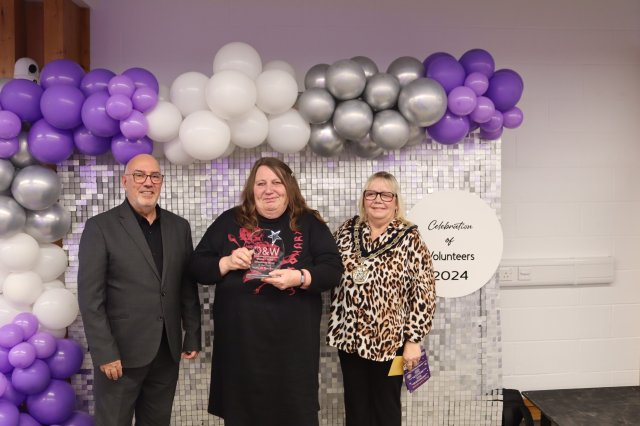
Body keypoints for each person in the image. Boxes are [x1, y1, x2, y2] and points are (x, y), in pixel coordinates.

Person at [190, 157, 343, 426]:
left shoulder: (309, 223)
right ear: (252, 189)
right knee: (242, 416)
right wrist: (226, 262)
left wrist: (300, 277)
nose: (268, 189)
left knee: (294, 414)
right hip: (240, 348)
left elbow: (333, 269)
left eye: (276, 182)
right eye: (261, 183)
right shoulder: (230, 220)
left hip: (293, 350)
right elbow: (197, 266)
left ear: (289, 187)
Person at [77, 154, 202, 426]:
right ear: (125, 181)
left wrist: (191, 333)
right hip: (120, 354)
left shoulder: (179, 227)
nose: (148, 182)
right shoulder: (100, 227)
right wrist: (105, 352)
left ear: (162, 182)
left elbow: (186, 285)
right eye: (139, 175)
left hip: (166, 351)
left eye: (155, 176)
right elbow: (90, 299)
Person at [327, 171, 436, 426]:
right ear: (364, 199)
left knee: (386, 407)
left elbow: (424, 291)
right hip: (349, 337)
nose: (378, 199)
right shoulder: (346, 231)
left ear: (396, 201)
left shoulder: (410, 237)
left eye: (386, 194)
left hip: (390, 341)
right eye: (371, 193)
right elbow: (327, 265)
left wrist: (413, 340)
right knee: (355, 406)